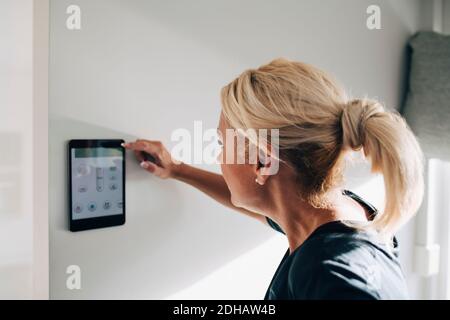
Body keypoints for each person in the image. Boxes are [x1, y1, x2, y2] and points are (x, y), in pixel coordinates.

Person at [123, 58, 424, 299]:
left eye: (221, 145)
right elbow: (256, 199)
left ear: (263, 161)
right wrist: (177, 169)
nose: (218, 158)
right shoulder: (341, 212)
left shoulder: (328, 275)